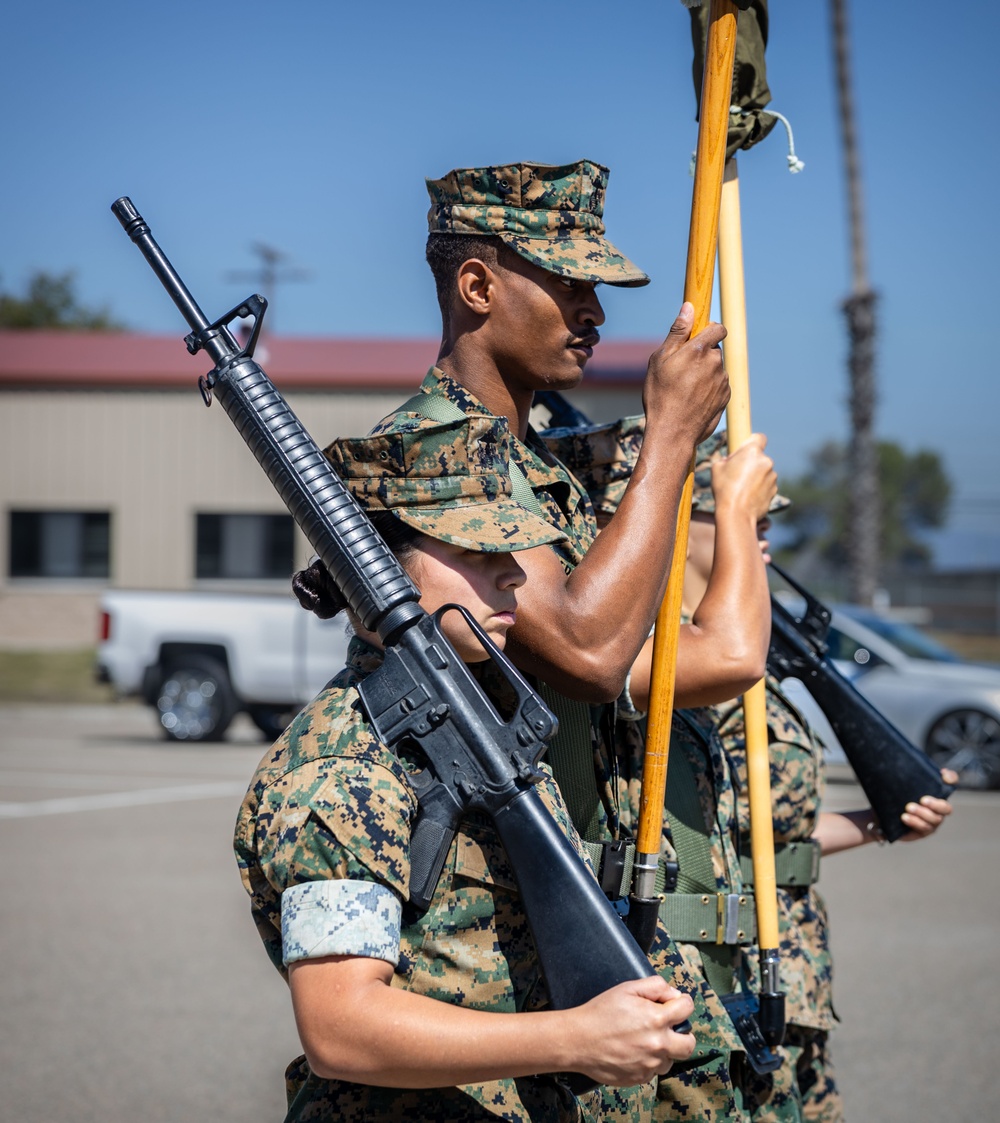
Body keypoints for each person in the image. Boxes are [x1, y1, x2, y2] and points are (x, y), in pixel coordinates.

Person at [297, 160, 776, 1110]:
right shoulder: (436, 451)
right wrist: (671, 438)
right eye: (567, 282)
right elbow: (594, 655)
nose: (593, 310)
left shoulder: (529, 467)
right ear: (477, 286)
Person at [234, 414, 698, 1123]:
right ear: (376, 570)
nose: (513, 571)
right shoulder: (341, 765)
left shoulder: (482, 713)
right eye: (475, 550)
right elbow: (340, 1029)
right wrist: (576, 1037)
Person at [680, 431, 957, 1122]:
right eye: (736, 509)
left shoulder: (758, 660)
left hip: (798, 974)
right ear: (676, 521)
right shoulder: (670, 673)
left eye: (766, 512)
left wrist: (880, 823)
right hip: (729, 986)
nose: (762, 524)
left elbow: (773, 836)